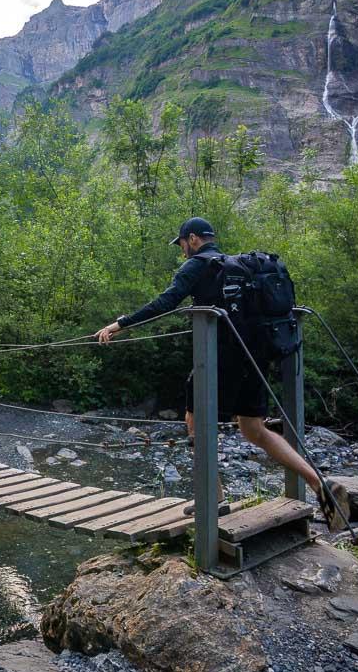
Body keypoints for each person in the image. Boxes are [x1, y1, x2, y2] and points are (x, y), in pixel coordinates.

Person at [94, 216, 337, 518]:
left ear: (193, 239)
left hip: (219, 359)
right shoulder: (231, 265)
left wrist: (120, 325)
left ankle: (214, 498)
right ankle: (319, 482)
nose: (182, 249)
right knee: (254, 429)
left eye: (182, 243)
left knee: (194, 419)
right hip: (255, 355)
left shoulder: (198, 266)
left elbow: (166, 302)